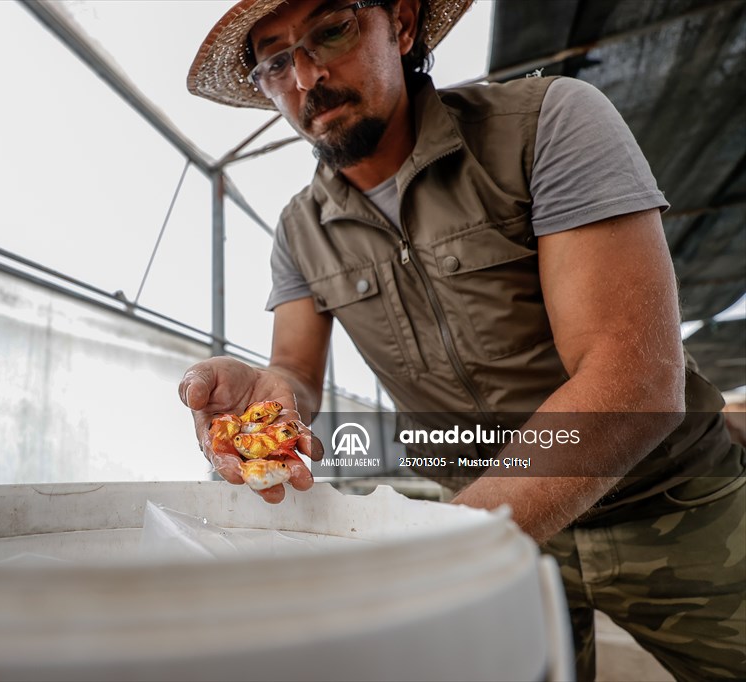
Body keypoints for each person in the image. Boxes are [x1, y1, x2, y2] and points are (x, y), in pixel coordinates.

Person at [178, 1, 745, 680]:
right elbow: (294, 371)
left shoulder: (547, 123)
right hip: (489, 521)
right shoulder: (301, 230)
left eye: (332, 29)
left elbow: (633, 379)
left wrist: (444, 542)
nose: (305, 76)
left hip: (671, 505)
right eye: (273, 60)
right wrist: (272, 400)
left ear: (405, 25)